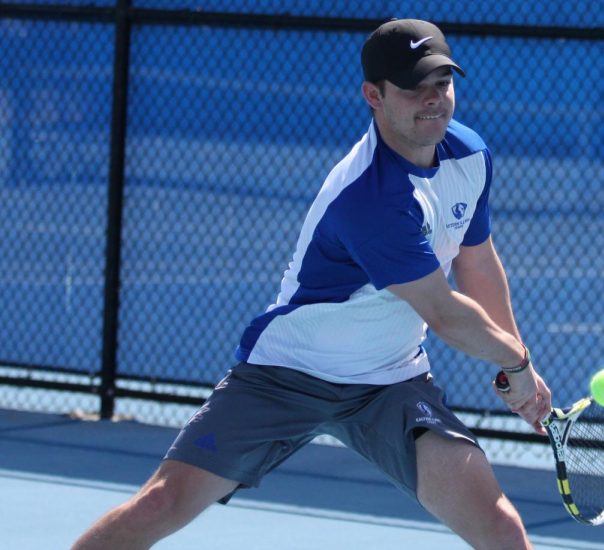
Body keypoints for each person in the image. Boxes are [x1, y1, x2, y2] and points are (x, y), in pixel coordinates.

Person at [72, 18, 552, 550]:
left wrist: (517, 366)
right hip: (287, 373)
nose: (433, 99)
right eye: (414, 87)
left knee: (500, 529)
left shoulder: (469, 155)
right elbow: (443, 312)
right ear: (374, 95)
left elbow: (477, 260)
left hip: (390, 382)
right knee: (162, 503)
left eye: (442, 83)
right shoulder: (370, 198)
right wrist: (517, 364)